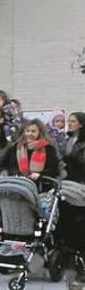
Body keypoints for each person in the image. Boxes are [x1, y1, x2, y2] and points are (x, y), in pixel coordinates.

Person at [56, 112, 85, 281]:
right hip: (67, 185)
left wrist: (70, 159)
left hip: (80, 186)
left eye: (73, 121)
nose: (69, 123)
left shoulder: (81, 143)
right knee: (65, 220)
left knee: (79, 223)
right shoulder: (68, 139)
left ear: (81, 124)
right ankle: (66, 257)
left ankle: (80, 260)